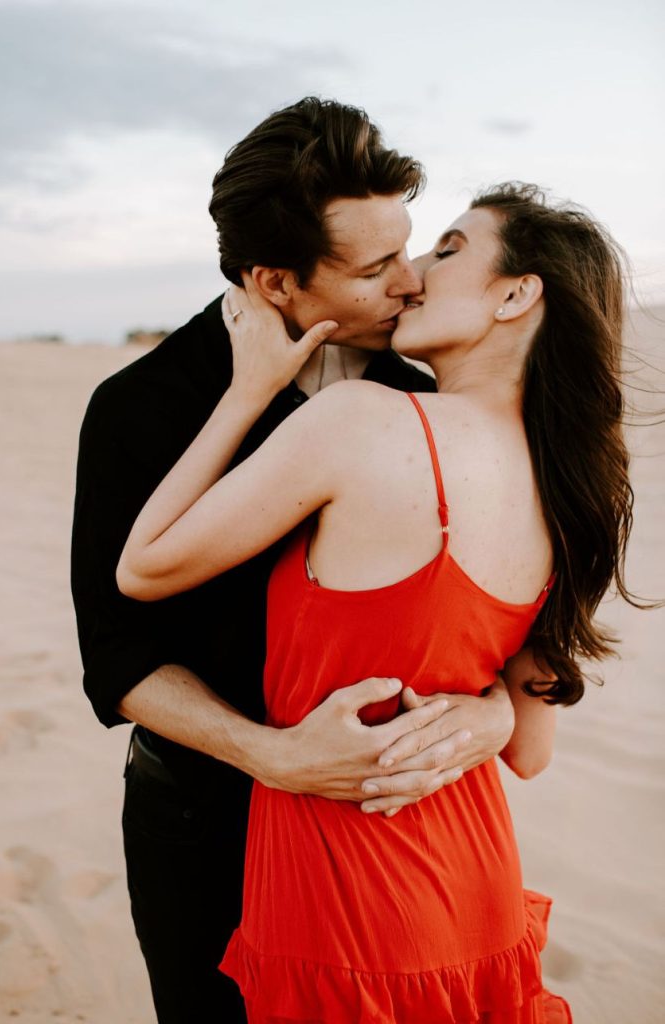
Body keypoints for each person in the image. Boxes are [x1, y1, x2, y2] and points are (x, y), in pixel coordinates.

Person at [117, 181, 634, 1023]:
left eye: (448, 249)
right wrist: (490, 713)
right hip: (472, 883)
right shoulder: (567, 484)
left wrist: (248, 391)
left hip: (349, 896)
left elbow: (143, 568)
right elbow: (529, 750)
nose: (415, 272)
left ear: (514, 296)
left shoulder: (360, 419)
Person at [70, 98, 515, 1024]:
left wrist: (494, 712)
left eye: (409, 251)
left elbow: (490, 603)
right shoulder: (141, 406)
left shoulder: (421, 393)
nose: (409, 285)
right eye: (374, 268)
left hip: (380, 833)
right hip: (203, 822)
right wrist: (270, 757)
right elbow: (116, 651)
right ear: (274, 281)